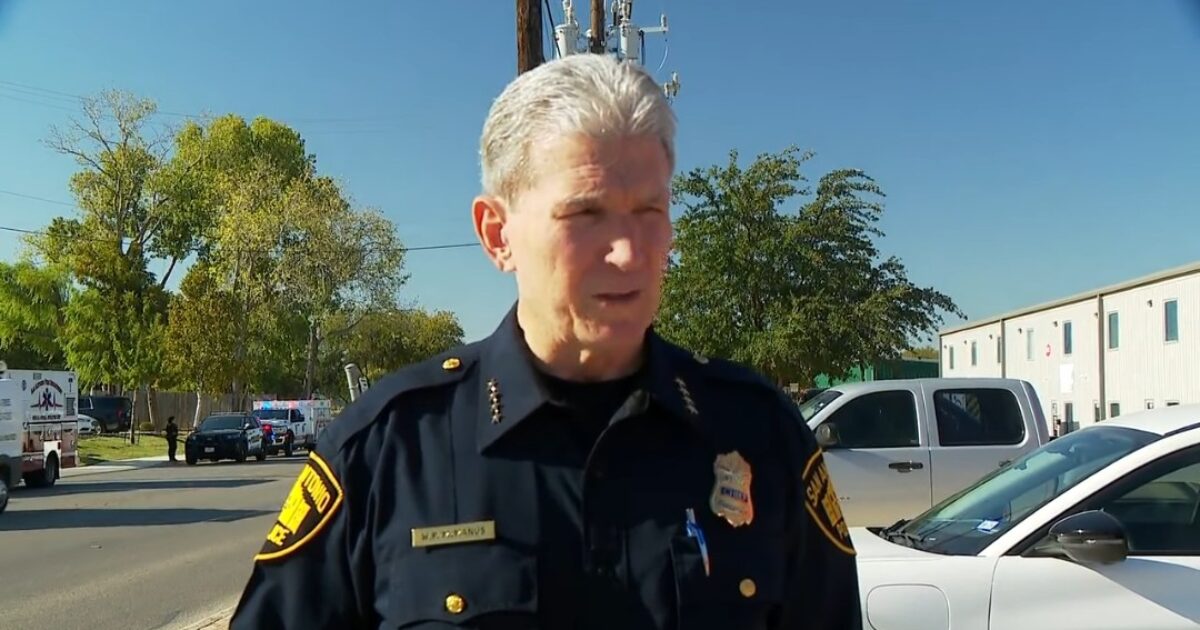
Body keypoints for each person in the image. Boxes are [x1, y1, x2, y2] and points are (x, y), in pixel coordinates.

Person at [231, 54, 861, 629]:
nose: (630, 251)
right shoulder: (390, 449)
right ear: (497, 233)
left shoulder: (760, 435)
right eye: (586, 214)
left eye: (650, 211)